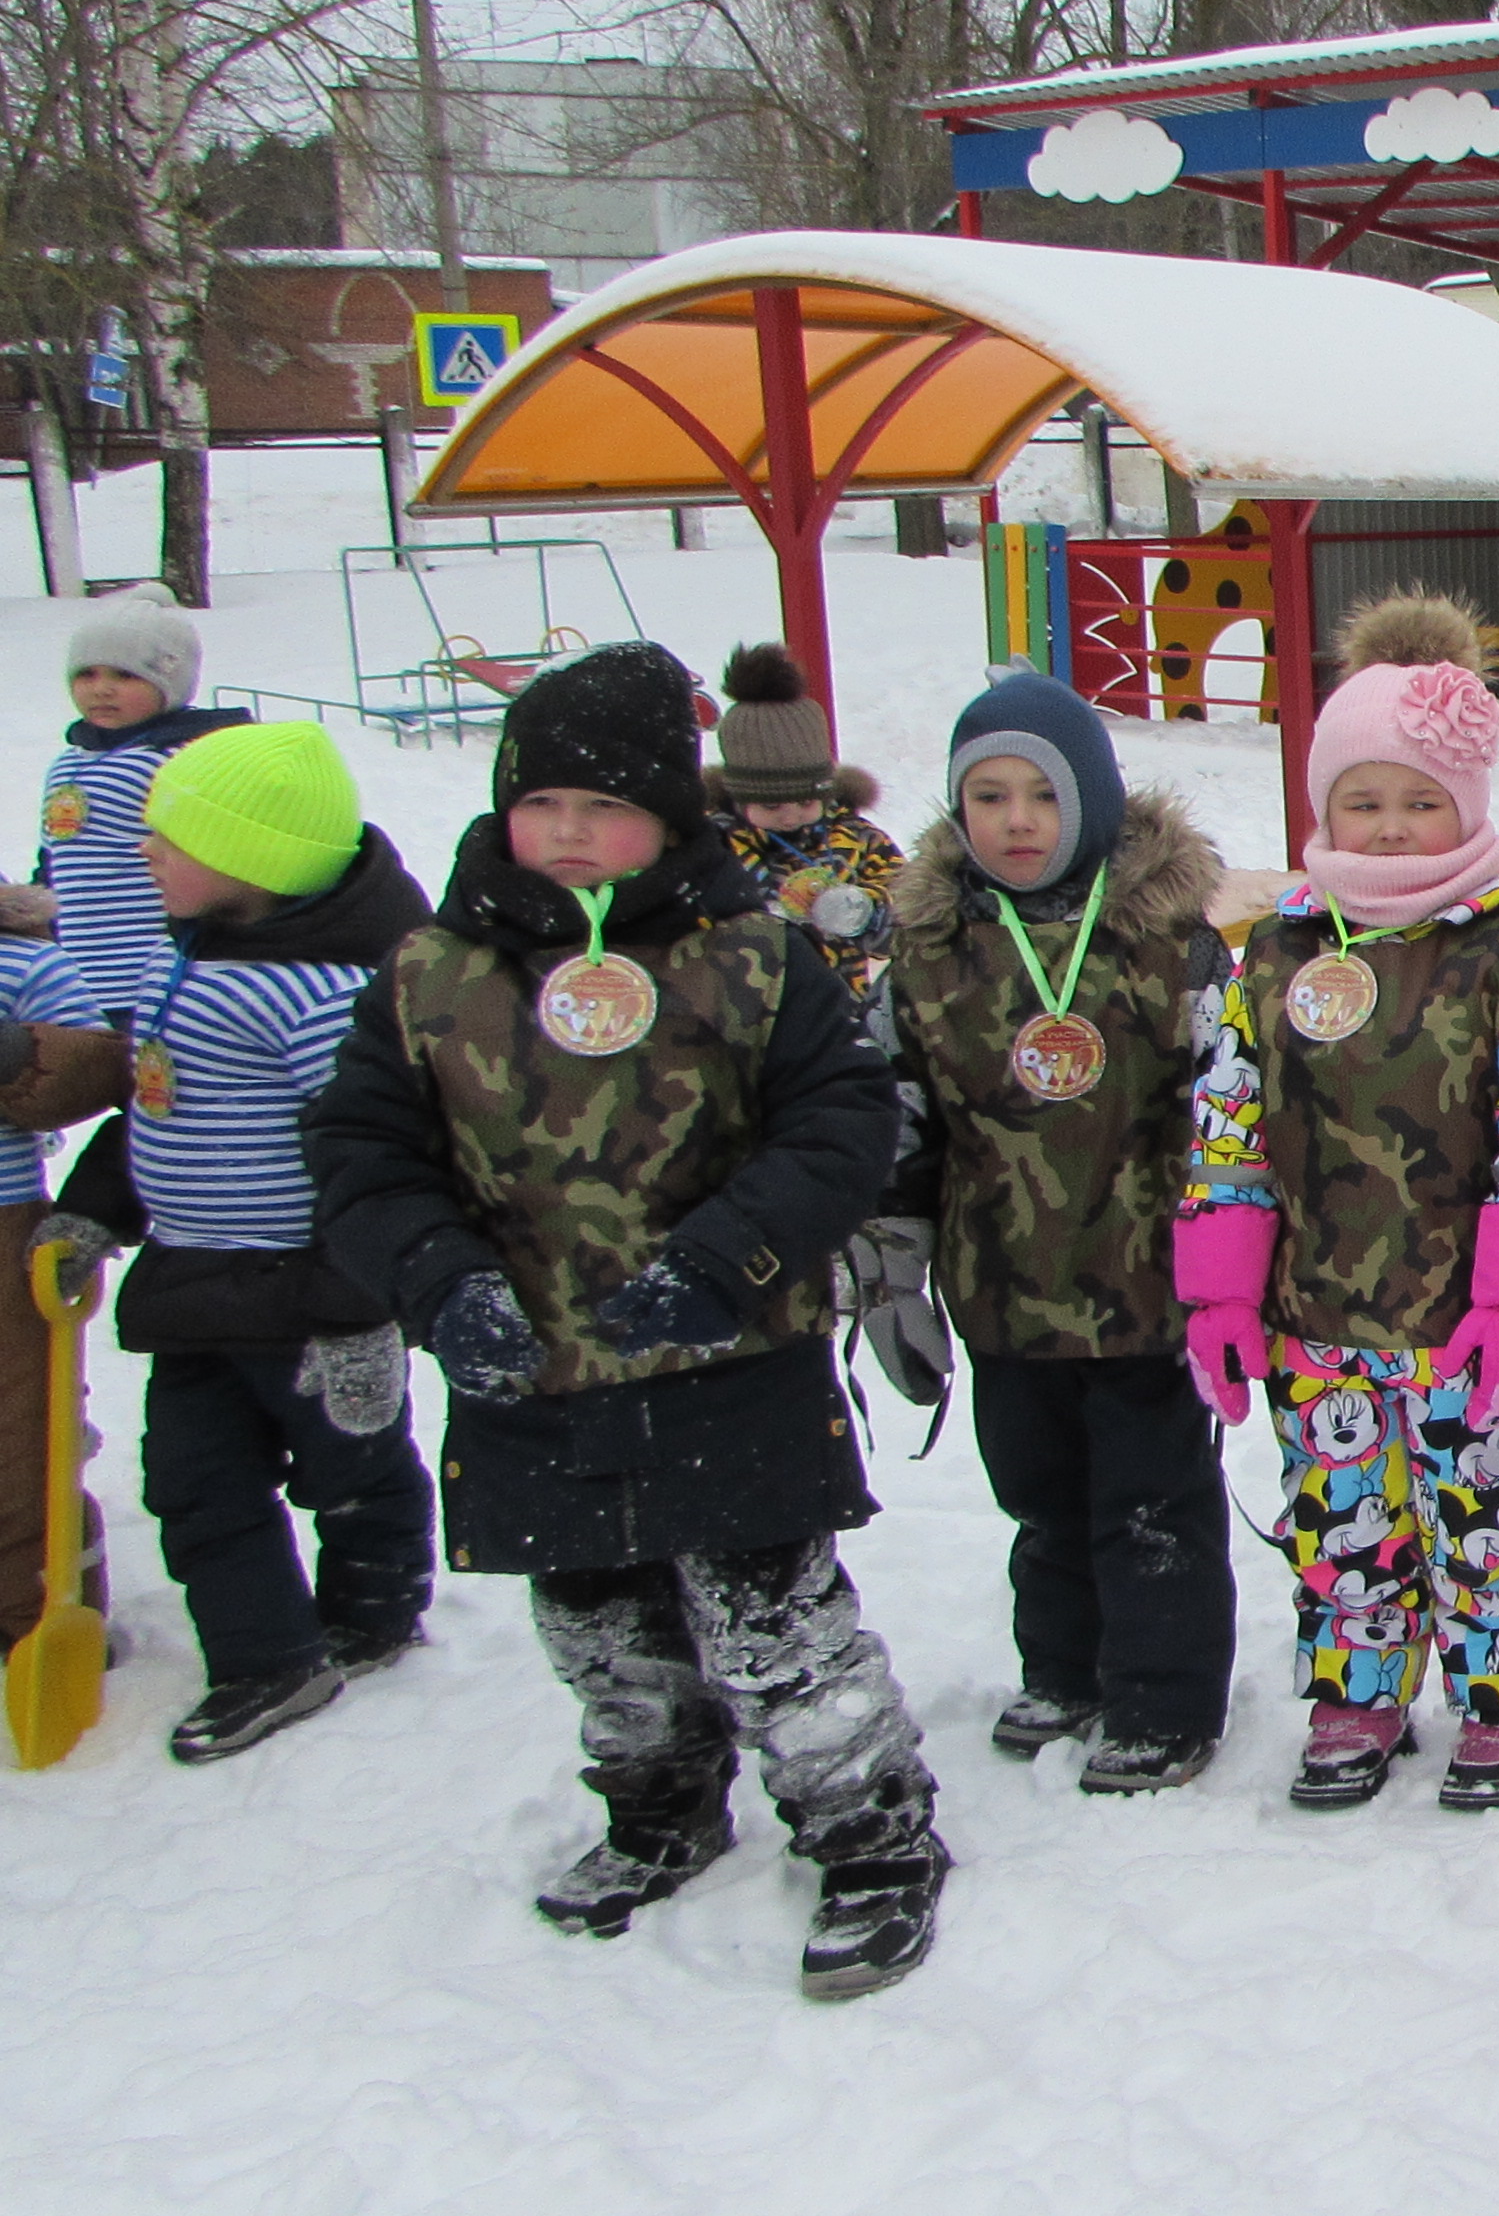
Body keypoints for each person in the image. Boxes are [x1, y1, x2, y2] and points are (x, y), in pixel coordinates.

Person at [308, 642, 946, 1999]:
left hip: (729, 1357)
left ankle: (869, 1833)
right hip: (533, 1367)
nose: (574, 835)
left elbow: (841, 1122)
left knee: (774, 1625)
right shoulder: (433, 971)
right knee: (600, 1627)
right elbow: (363, 1151)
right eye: (545, 805)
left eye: (606, 809)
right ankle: (660, 1808)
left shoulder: (754, 960)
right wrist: (437, 1283)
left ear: (668, 815)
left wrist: (729, 1258)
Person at [1174, 594, 1499, 1813]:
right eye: (1365, 800)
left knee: (1489, 1514)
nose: (1394, 827)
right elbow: (1229, 1130)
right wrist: (1218, 1294)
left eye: (1423, 802)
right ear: (1322, 807)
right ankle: (1358, 1686)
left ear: (1465, 807)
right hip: (1319, 1312)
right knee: (1342, 1517)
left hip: (1475, 1321)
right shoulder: (1277, 951)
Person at [31, 723, 433, 1761]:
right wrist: (96, 1211)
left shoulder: (319, 996)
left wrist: (361, 1304)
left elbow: (373, 1150)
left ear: (252, 858)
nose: (141, 853)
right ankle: (266, 1659)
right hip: (194, 1284)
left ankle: (377, 1606)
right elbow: (154, 1109)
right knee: (194, 1484)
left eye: (169, 838)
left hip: (310, 1291)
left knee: (352, 1469)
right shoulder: (191, 963)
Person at [877, 671, 1234, 1794]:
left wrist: (1229, 1262)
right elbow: (898, 1112)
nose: (1017, 820)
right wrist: (889, 1264)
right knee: (1037, 1495)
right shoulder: (928, 956)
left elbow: (1230, 1107)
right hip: (1001, 1284)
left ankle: (1163, 1698)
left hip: (1143, 1287)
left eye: (1042, 793)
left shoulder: (1169, 945)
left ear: (1094, 799)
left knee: (1151, 1502)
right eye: (988, 797)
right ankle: (1065, 1666)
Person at [0, 915, 136, 1663]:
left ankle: (36, 1607)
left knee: (19, 1430)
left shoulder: (19, 964)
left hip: (1, 1218)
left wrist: (21, 1056)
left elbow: (107, 1068)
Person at [30, 585, 252, 1031]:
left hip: (154, 974)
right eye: (86, 674)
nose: (102, 690)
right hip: (77, 979)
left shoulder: (180, 759)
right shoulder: (68, 763)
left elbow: (217, 860)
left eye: (125, 676)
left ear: (169, 681)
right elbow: (54, 860)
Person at [706, 642, 904, 1009]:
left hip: (841, 1010)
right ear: (739, 798)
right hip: (748, 1015)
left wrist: (867, 912)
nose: (790, 815)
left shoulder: (856, 838)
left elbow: (909, 912)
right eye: (771, 805)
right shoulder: (715, 846)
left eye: (806, 802)